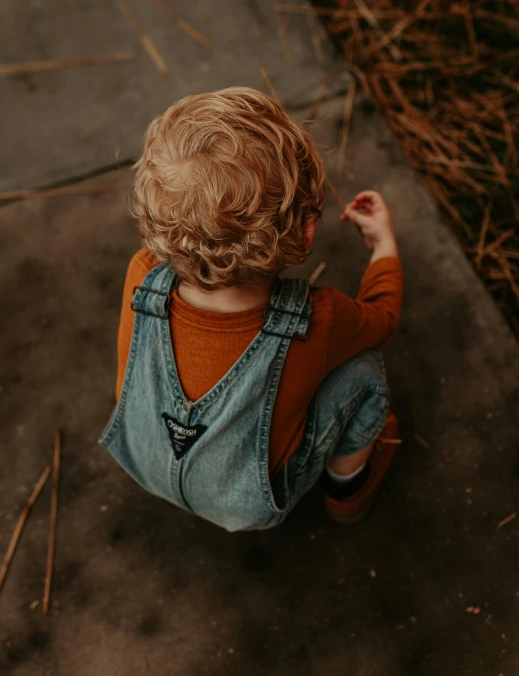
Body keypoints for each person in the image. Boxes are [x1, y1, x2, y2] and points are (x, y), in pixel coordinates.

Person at [99, 87, 403, 532]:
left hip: (141, 459)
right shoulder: (318, 320)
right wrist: (384, 247)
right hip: (248, 506)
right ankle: (347, 489)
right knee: (366, 373)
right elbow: (383, 320)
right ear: (306, 234)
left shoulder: (142, 274)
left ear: (155, 227)